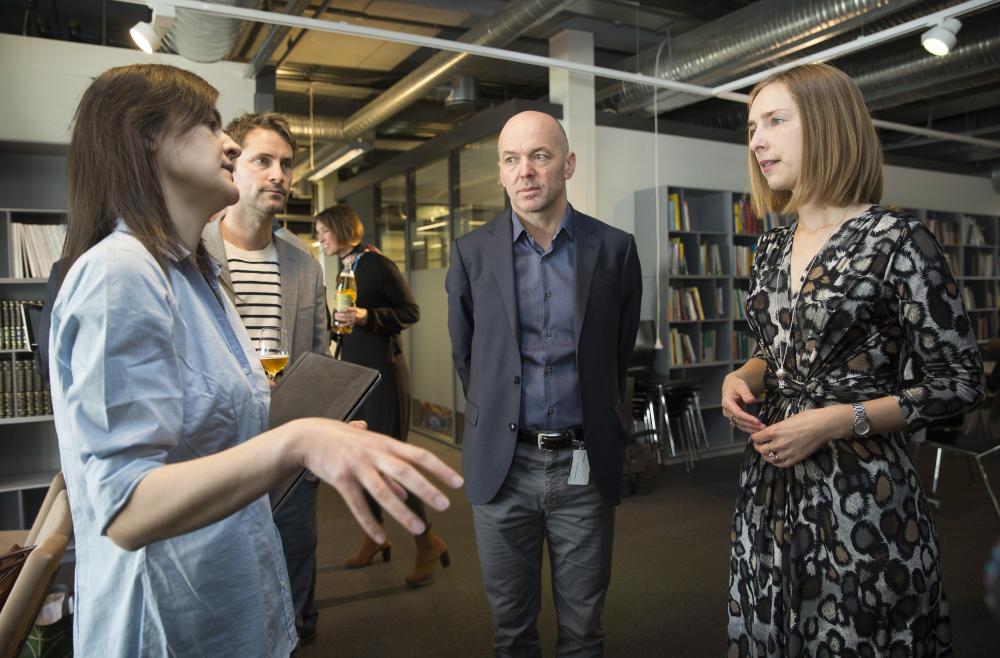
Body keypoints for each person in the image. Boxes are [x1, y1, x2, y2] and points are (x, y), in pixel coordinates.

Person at [51, 63, 461, 657]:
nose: (229, 145)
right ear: (147, 139)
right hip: (168, 624)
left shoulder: (194, 274)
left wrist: (318, 430)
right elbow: (127, 507)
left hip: (228, 602)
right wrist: (296, 442)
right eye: (207, 124)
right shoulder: (121, 274)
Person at [722, 62, 984, 657]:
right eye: (752, 127)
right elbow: (778, 350)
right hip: (769, 487)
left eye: (775, 121)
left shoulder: (897, 240)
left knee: (857, 636)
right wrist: (743, 374)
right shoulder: (770, 247)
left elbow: (959, 381)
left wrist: (839, 420)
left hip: (863, 493)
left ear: (827, 124)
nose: (757, 140)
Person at [446, 110, 641, 657]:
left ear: (568, 164)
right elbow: (467, 356)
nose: (525, 171)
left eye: (539, 156)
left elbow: (617, 353)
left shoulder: (615, 249)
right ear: (501, 172)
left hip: (583, 466)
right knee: (511, 633)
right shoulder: (470, 252)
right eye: (511, 159)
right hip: (503, 468)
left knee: (584, 633)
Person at [201, 111, 327, 646]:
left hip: (287, 452)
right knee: (226, 592)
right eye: (262, 161)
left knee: (295, 578)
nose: (278, 174)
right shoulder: (192, 253)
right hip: (217, 452)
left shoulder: (304, 264)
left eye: (287, 164)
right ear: (232, 164)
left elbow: (317, 356)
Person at [315, 204, 449, 587]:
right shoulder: (345, 267)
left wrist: (366, 317)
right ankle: (375, 536)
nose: (320, 240)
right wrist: (339, 328)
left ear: (342, 228)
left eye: (324, 232)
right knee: (361, 459)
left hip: (384, 376)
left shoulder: (378, 264)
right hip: (356, 376)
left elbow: (411, 311)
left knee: (390, 462)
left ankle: (427, 541)